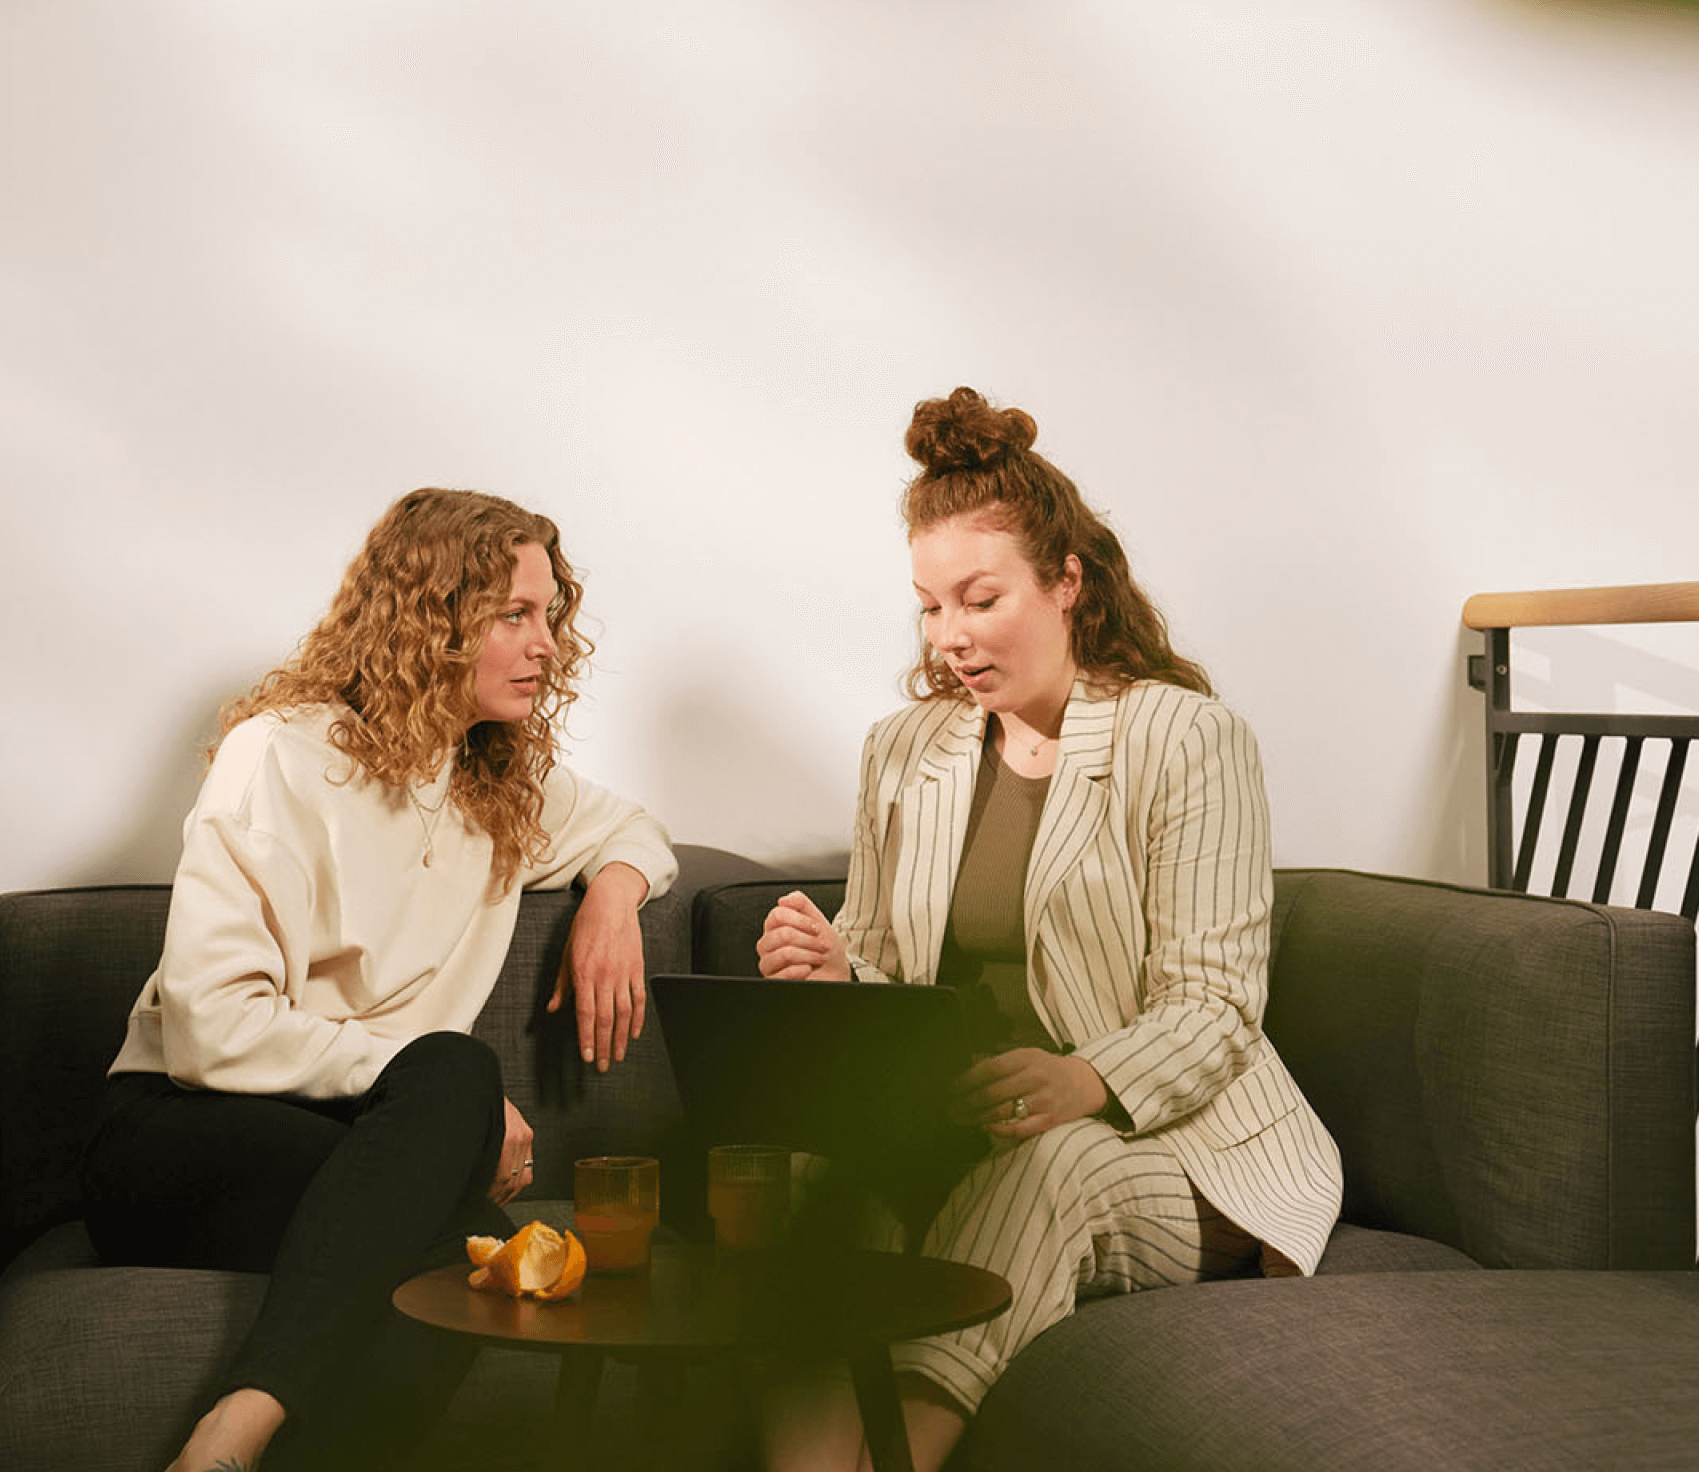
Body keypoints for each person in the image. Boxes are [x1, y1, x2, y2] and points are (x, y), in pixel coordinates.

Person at [756, 387, 1343, 1471]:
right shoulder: (906, 748)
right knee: (814, 1175)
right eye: (930, 607)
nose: (952, 638)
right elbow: (888, 960)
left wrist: (1084, 1080)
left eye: (979, 599)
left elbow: (1215, 1002)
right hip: (963, 1123)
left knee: (1045, 1168)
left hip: (1163, 1146)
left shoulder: (1186, 736)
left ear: (1067, 581)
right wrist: (840, 972)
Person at [81, 488, 677, 1472]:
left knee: (475, 1256)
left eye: (551, 616)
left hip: (366, 1151)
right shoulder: (278, 754)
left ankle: (244, 1448)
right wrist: (444, 1096)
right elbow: (209, 1030)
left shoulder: (496, 781)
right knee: (450, 1075)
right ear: (429, 620)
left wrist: (614, 899)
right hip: (173, 1135)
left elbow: (632, 827)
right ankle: (232, 1425)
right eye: (514, 616)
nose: (550, 647)